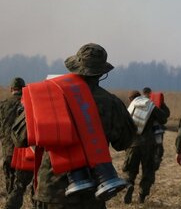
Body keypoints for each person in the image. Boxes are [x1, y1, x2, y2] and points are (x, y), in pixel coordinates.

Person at [11, 43, 137, 209]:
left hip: (51, 192)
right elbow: (124, 143)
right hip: (93, 193)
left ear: (75, 67)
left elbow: (19, 137)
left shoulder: (47, 96)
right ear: (101, 73)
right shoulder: (112, 103)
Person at [122, 89, 168, 204]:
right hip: (148, 144)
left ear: (130, 99)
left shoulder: (130, 108)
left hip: (132, 144)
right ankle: (142, 196)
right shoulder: (150, 105)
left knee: (130, 170)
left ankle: (128, 185)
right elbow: (163, 118)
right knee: (148, 171)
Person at [0, 77, 34, 209]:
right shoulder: (29, 104)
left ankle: (9, 201)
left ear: (11, 89)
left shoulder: (3, 105)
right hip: (23, 153)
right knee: (21, 186)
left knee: (10, 185)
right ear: (24, 89)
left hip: (7, 152)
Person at [142, 87, 170, 171]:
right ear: (150, 92)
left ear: (143, 93)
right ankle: (155, 163)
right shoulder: (156, 101)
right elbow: (166, 114)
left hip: (143, 133)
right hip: (157, 131)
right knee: (158, 147)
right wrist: (161, 104)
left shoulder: (140, 102)